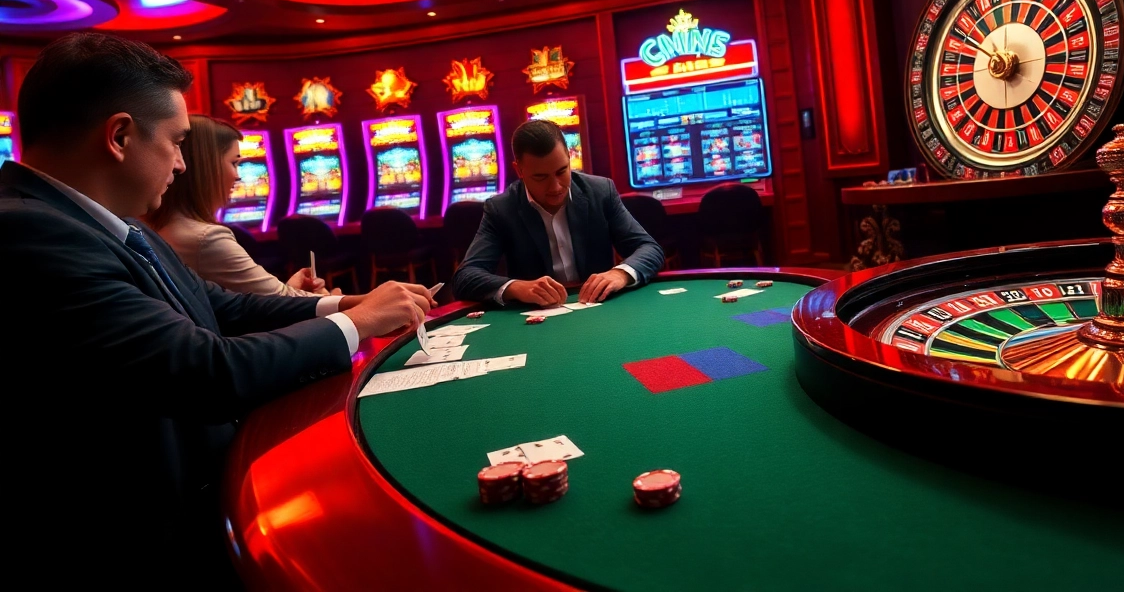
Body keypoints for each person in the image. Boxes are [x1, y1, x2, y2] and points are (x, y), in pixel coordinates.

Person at [1, 33, 435, 584]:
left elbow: (221, 307)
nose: (183, 164)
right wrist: (359, 323)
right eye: (177, 141)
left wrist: (345, 302)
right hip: (137, 538)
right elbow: (204, 370)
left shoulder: (116, 221)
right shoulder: (26, 230)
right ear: (119, 137)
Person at [452, 119, 664, 305]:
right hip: (538, 319)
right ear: (519, 170)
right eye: (540, 177)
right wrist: (518, 288)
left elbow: (649, 249)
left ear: (569, 158)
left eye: (562, 171)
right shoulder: (501, 209)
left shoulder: (600, 192)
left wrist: (620, 274)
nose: (555, 187)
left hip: (598, 308)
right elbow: (465, 277)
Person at [145, 114, 331, 296]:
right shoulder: (206, 239)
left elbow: (271, 300)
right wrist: (332, 299)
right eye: (234, 163)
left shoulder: (157, 227)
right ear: (208, 168)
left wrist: (292, 291)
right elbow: (283, 301)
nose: (238, 176)